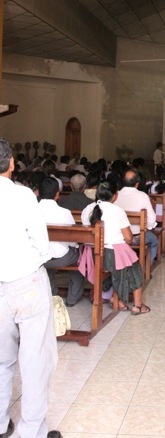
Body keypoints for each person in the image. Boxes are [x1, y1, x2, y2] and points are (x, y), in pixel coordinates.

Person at [0, 138, 61, 438]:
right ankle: (31, 432)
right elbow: (42, 245)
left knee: (0, 358)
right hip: (25, 282)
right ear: (11, 163)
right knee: (35, 358)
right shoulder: (23, 196)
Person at [81, 179, 150, 315]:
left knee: (114, 269)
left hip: (93, 255)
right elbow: (129, 238)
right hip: (112, 254)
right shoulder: (117, 210)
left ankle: (116, 298)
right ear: (115, 195)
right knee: (135, 268)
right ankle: (137, 305)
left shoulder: (88, 209)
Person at [38, 177, 85, 308]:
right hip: (61, 257)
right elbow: (72, 240)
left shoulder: (32, 211)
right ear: (57, 193)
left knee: (46, 264)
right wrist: (76, 246)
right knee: (79, 258)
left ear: (39, 192)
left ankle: (52, 295)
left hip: (39, 257)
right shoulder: (64, 213)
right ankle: (72, 297)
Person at [114, 170, 159, 265]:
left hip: (118, 236)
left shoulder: (115, 195)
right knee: (154, 241)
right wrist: (148, 227)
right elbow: (151, 219)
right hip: (137, 237)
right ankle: (143, 270)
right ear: (137, 184)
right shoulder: (143, 196)